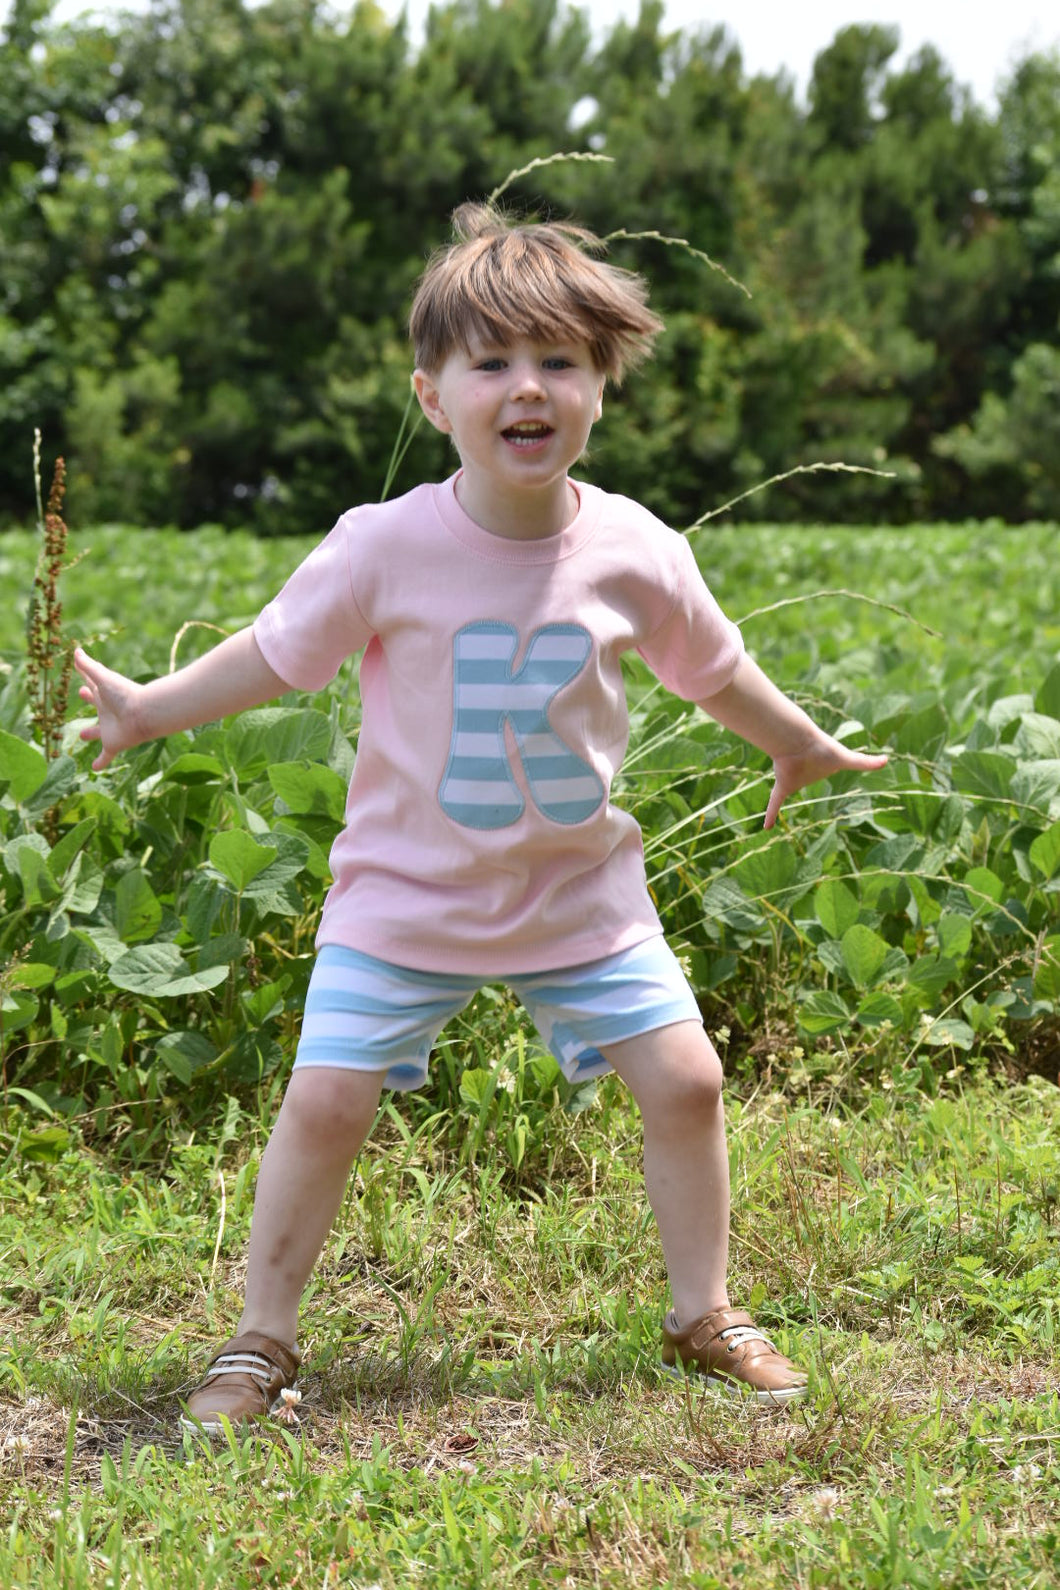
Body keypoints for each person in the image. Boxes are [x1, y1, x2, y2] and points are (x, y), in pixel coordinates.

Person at [73, 203, 887, 1429]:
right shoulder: (382, 546)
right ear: (432, 393)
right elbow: (277, 657)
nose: (529, 387)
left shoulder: (636, 549)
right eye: (493, 362)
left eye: (560, 361)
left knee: (688, 1081)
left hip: (582, 898)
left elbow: (709, 668)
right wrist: (150, 710)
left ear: (600, 389)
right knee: (326, 1102)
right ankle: (258, 1340)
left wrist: (796, 743)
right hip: (404, 899)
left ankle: (701, 1310)